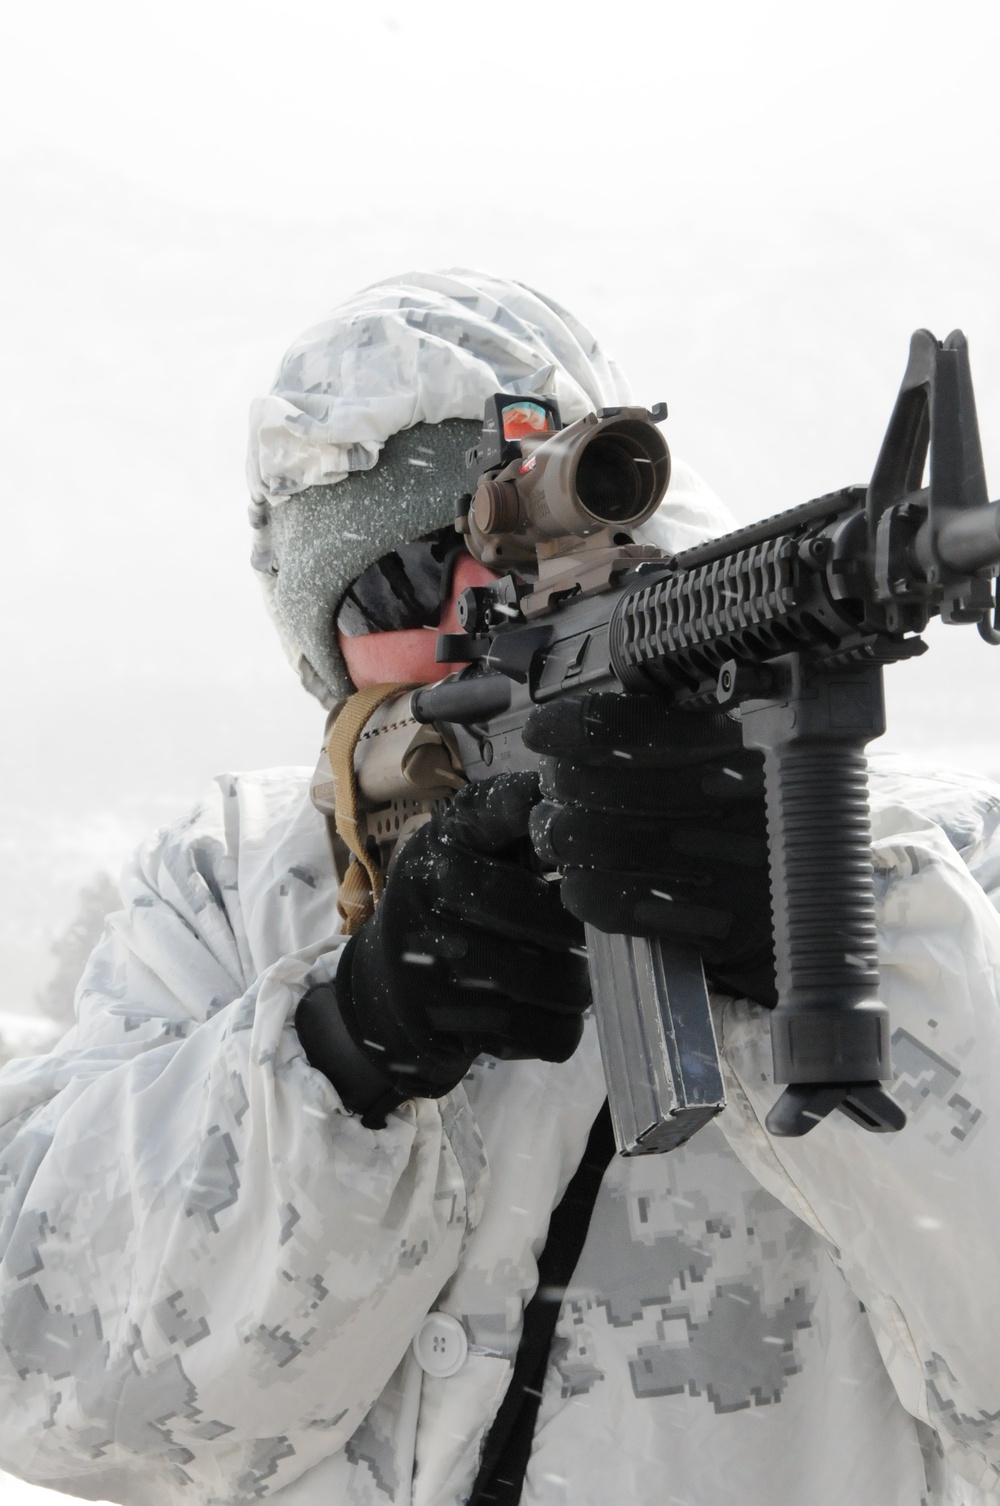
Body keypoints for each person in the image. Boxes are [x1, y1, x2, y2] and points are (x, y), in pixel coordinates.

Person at [0, 270, 999, 1506]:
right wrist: (348, 1044)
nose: (479, 601)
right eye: (400, 581)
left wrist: (827, 932)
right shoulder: (233, 891)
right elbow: (60, 1388)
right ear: (326, 639)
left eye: (521, 548)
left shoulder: (930, 866)